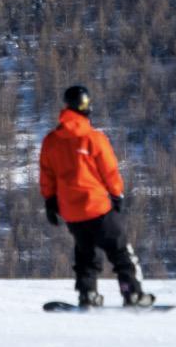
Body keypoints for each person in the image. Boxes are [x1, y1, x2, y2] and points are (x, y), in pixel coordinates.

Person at [39, 83, 153, 307]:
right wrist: (117, 195)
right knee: (120, 251)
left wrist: (50, 202)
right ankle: (132, 293)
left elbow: (47, 176)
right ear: (85, 107)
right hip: (97, 207)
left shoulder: (51, 141)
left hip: (71, 211)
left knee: (85, 254)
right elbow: (109, 171)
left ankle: (87, 294)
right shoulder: (94, 139)